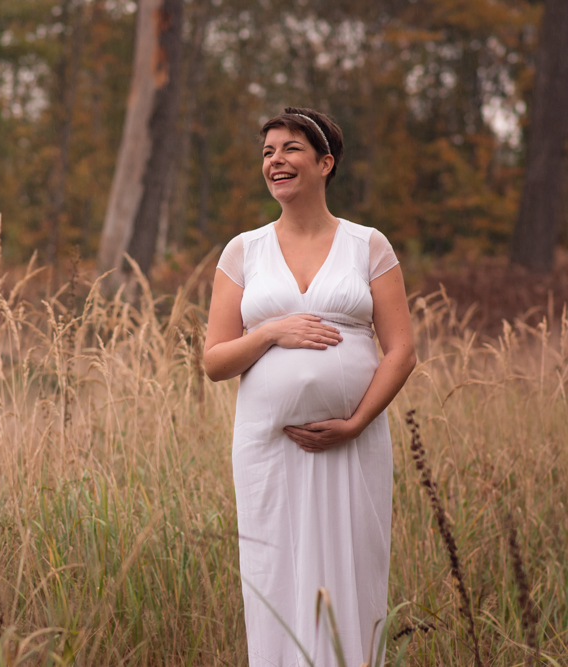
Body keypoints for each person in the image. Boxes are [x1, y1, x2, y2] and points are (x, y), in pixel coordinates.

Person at [204, 107, 416, 666]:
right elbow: (215, 361)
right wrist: (272, 331)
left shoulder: (368, 246)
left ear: (325, 163)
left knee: (351, 571)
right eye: (268, 151)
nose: (276, 160)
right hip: (268, 448)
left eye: (291, 148)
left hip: (353, 441)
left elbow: (401, 351)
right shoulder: (242, 251)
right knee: (276, 572)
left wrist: (354, 423)